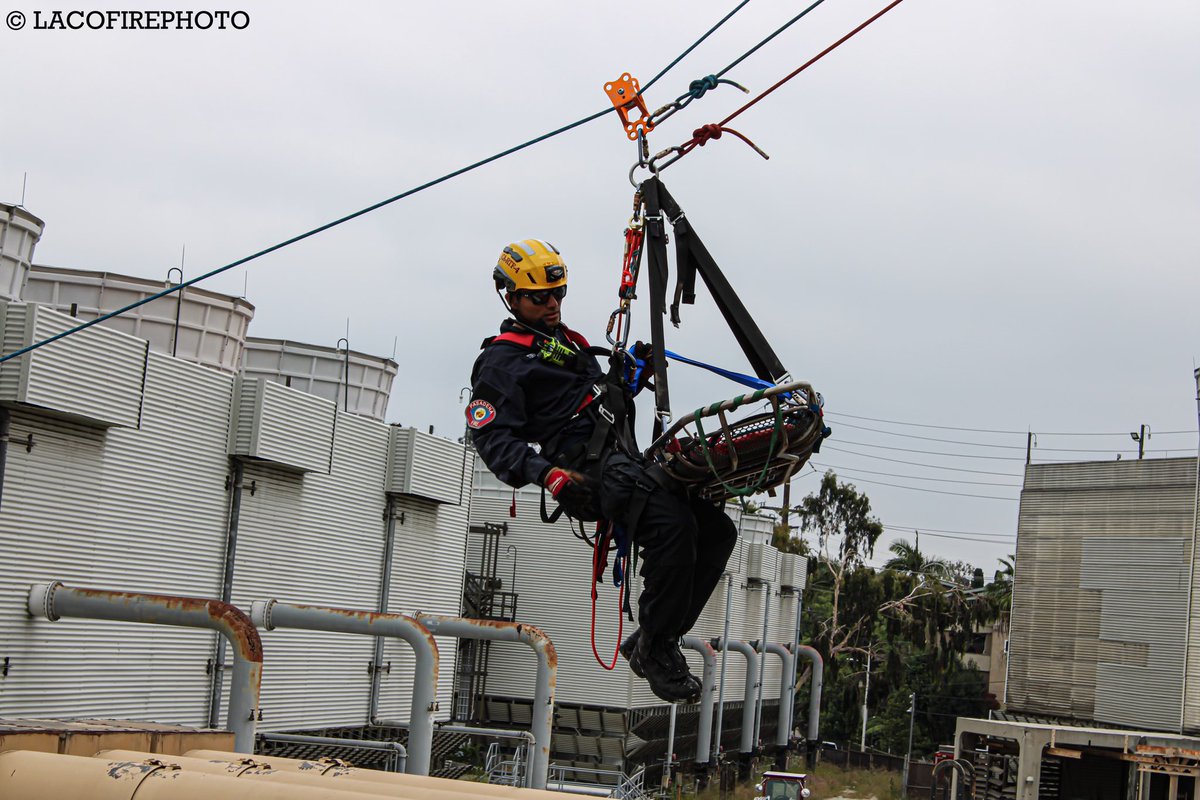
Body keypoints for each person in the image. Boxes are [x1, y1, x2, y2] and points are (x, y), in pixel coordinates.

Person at [466, 238, 737, 703]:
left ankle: (654, 635)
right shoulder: (502, 362)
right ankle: (656, 649)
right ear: (510, 297)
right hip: (589, 472)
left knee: (716, 530)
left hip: (627, 458)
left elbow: (599, 401)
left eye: (559, 295)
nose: (552, 304)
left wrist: (630, 375)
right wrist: (549, 475)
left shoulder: (565, 344)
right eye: (540, 298)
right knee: (673, 528)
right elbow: (493, 438)